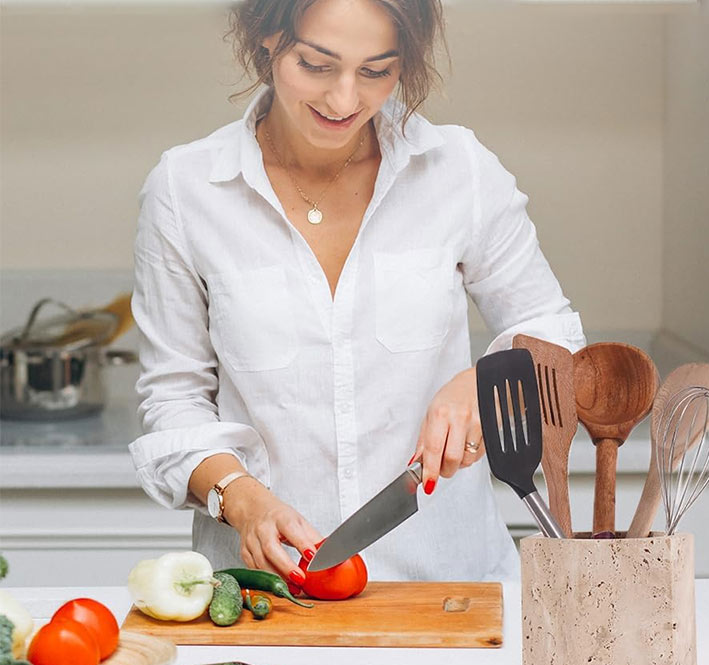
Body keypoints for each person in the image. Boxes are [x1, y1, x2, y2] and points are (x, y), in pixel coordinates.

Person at [129, 0, 585, 588]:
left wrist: (490, 379)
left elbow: (554, 331)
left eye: (376, 71)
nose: (345, 100)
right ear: (269, 38)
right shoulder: (186, 189)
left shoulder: (458, 171)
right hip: (264, 599)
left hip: (448, 591)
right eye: (316, 65)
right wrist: (238, 498)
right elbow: (173, 399)